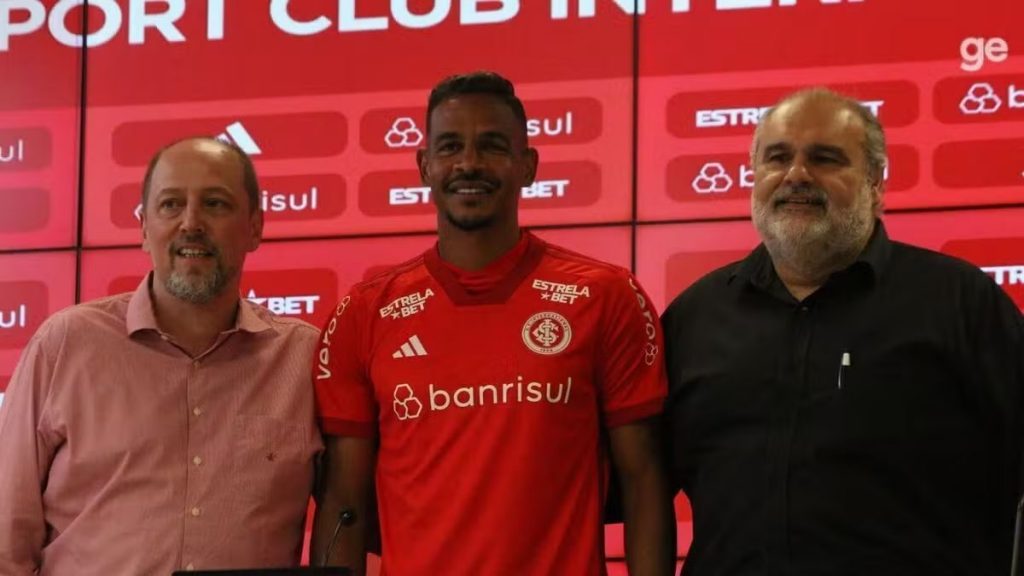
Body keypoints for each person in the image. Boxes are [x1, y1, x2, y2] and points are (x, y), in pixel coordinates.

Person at [312, 71, 675, 575]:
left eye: (492, 146)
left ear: (528, 166)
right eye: (450, 147)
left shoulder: (605, 295)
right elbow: (343, 502)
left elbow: (644, 480)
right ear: (424, 166)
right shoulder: (364, 312)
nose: (469, 163)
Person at [661, 88, 1024, 575]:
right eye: (777, 158)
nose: (796, 175)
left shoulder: (961, 302)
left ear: (875, 182)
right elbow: (638, 484)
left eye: (825, 158)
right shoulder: (695, 316)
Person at [0, 137, 323, 575]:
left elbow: (350, 517)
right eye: (171, 205)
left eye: (215, 204)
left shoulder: (303, 359)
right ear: (144, 228)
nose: (191, 223)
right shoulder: (65, 345)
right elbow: (7, 536)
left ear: (255, 227)